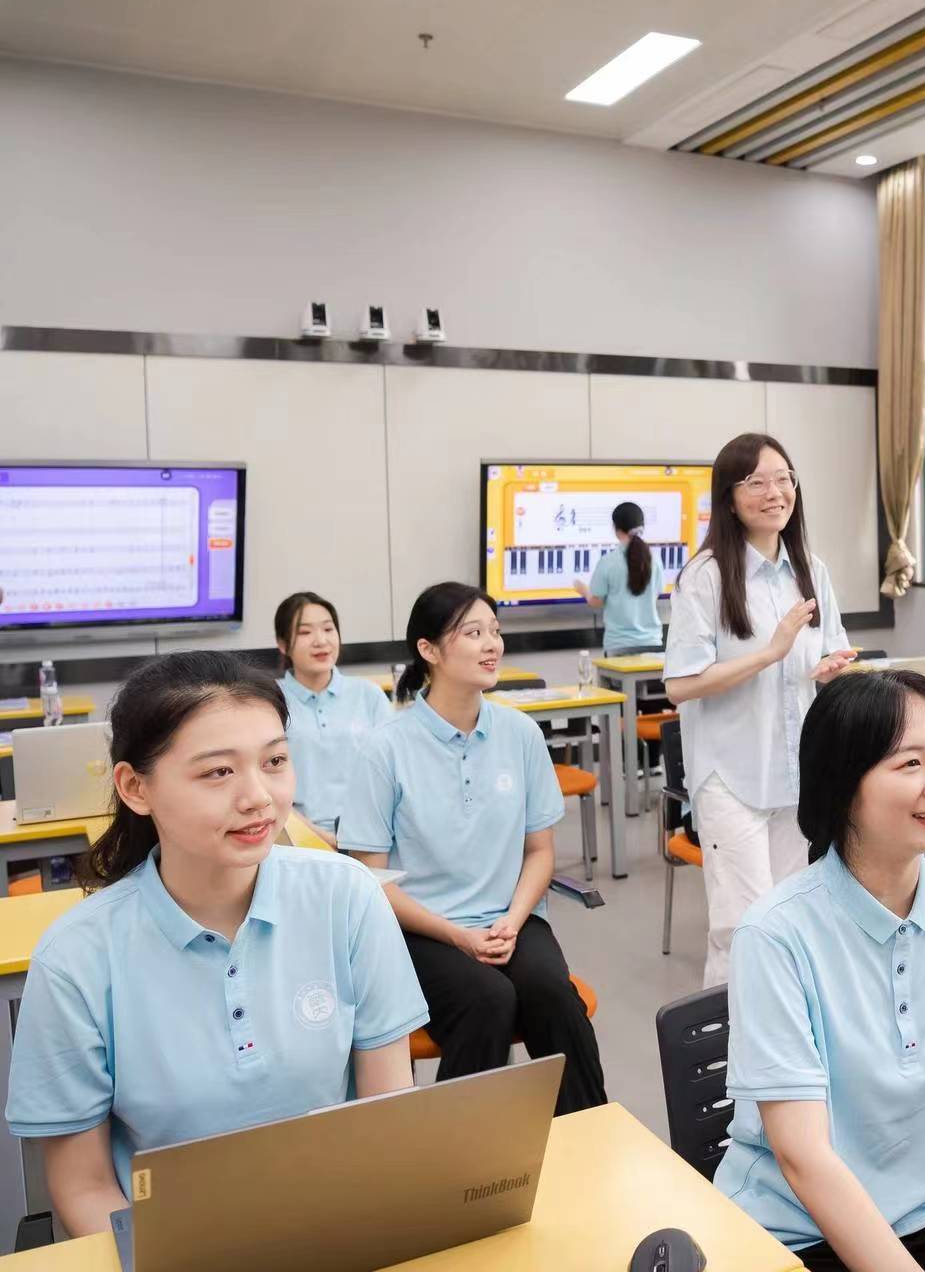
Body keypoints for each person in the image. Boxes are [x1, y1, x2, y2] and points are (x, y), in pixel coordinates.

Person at [6, 651, 426, 1237]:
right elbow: (85, 1187)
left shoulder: (347, 896)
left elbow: (388, 1117)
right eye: (218, 772)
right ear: (135, 787)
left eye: (274, 761)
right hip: (173, 1249)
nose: (258, 797)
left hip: (341, 1228)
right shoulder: (76, 958)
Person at [715, 670, 925, 1272]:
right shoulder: (774, 936)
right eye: (910, 764)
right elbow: (803, 1158)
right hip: (799, 1230)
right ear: (842, 784)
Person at [339, 581, 606, 1115]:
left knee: (553, 996)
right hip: (421, 929)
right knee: (487, 1000)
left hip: (510, 918)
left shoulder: (521, 734)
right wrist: (457, 936)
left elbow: (540, 853)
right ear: (429, 650)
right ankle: (458, 1155)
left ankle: (592, 1131)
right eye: (473, 633)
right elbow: (369, 881)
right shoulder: (384, 748)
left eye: (495, 631)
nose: (492, 645)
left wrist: (513, 919)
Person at [664, 433, 857, 986]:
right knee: (742, 929)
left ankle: (786, 1033)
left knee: (793, 923)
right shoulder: (705, 576)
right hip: (732, 779)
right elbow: (680, 685)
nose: (774, 493)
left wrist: (830, 668)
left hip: (796, 774)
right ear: (729, 498)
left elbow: (830, 650)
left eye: (783, 479)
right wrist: (770, 653)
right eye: (756, 482)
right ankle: (731, 1041)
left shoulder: (811, 569)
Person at [273, 591, 391, 844]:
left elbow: (394, 775)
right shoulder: (270, 701)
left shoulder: (368, 695)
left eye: (328, 629)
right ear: (283, 644)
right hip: (296, 838)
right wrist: (324, 839)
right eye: (305, 632)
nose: (321, 641)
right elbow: (267, 788)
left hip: (371, 835)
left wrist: (362, 838)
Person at [572, 500, 665, 655]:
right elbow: (654, 596)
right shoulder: (655, 560)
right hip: (653, 645)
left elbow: (596, 602)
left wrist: (583, 590)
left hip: (619, 647)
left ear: (616, 529)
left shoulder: (608, 562)